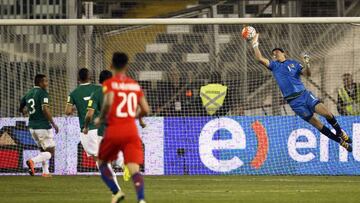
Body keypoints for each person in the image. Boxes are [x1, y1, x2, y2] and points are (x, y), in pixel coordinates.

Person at [250, 32, 352, 152]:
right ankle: (341, 142)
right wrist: (254, 43)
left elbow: (308, 74)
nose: (275, 54)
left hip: (305, 95)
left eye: (277, 51)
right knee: (318, 125)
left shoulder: (294, 64)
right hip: (294, 102)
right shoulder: (274, 66)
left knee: (328, 114)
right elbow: (259, 58)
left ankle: (340, 132)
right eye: (273, 53)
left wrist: (307, 63)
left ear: (284, 53)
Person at [95, 52, 149, 203]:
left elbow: (108, 102)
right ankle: (141, 199)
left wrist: (101, 118)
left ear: (111, 65)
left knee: (101, 162)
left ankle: (116, 192)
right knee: (134, 168)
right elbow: (145, 109)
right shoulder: (134, 85)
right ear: (127, 66)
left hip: (114, 129)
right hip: (131, 131)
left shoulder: (109, 84)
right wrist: (135, 116)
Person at [19, 74, 59, 177]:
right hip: (43, 126)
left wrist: (22, 111)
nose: (47, 83)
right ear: (39, 83)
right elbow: (45, 109)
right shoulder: (43, 93)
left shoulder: (29, 93)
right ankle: (32, 161)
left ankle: (45, 172)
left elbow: (21, 104)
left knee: (42, 150)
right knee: (51, 152)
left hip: (32, 127)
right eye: (45, 81)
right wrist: (53, 123)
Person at [65, 68, 102, 165]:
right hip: (101, 127)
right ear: (90, 76)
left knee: (96, 155)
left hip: (88, 129)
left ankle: (110, 174)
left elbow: (67, 111)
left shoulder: (73, 93)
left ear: (78, 78)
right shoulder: (98, 88)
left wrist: (77, 108)